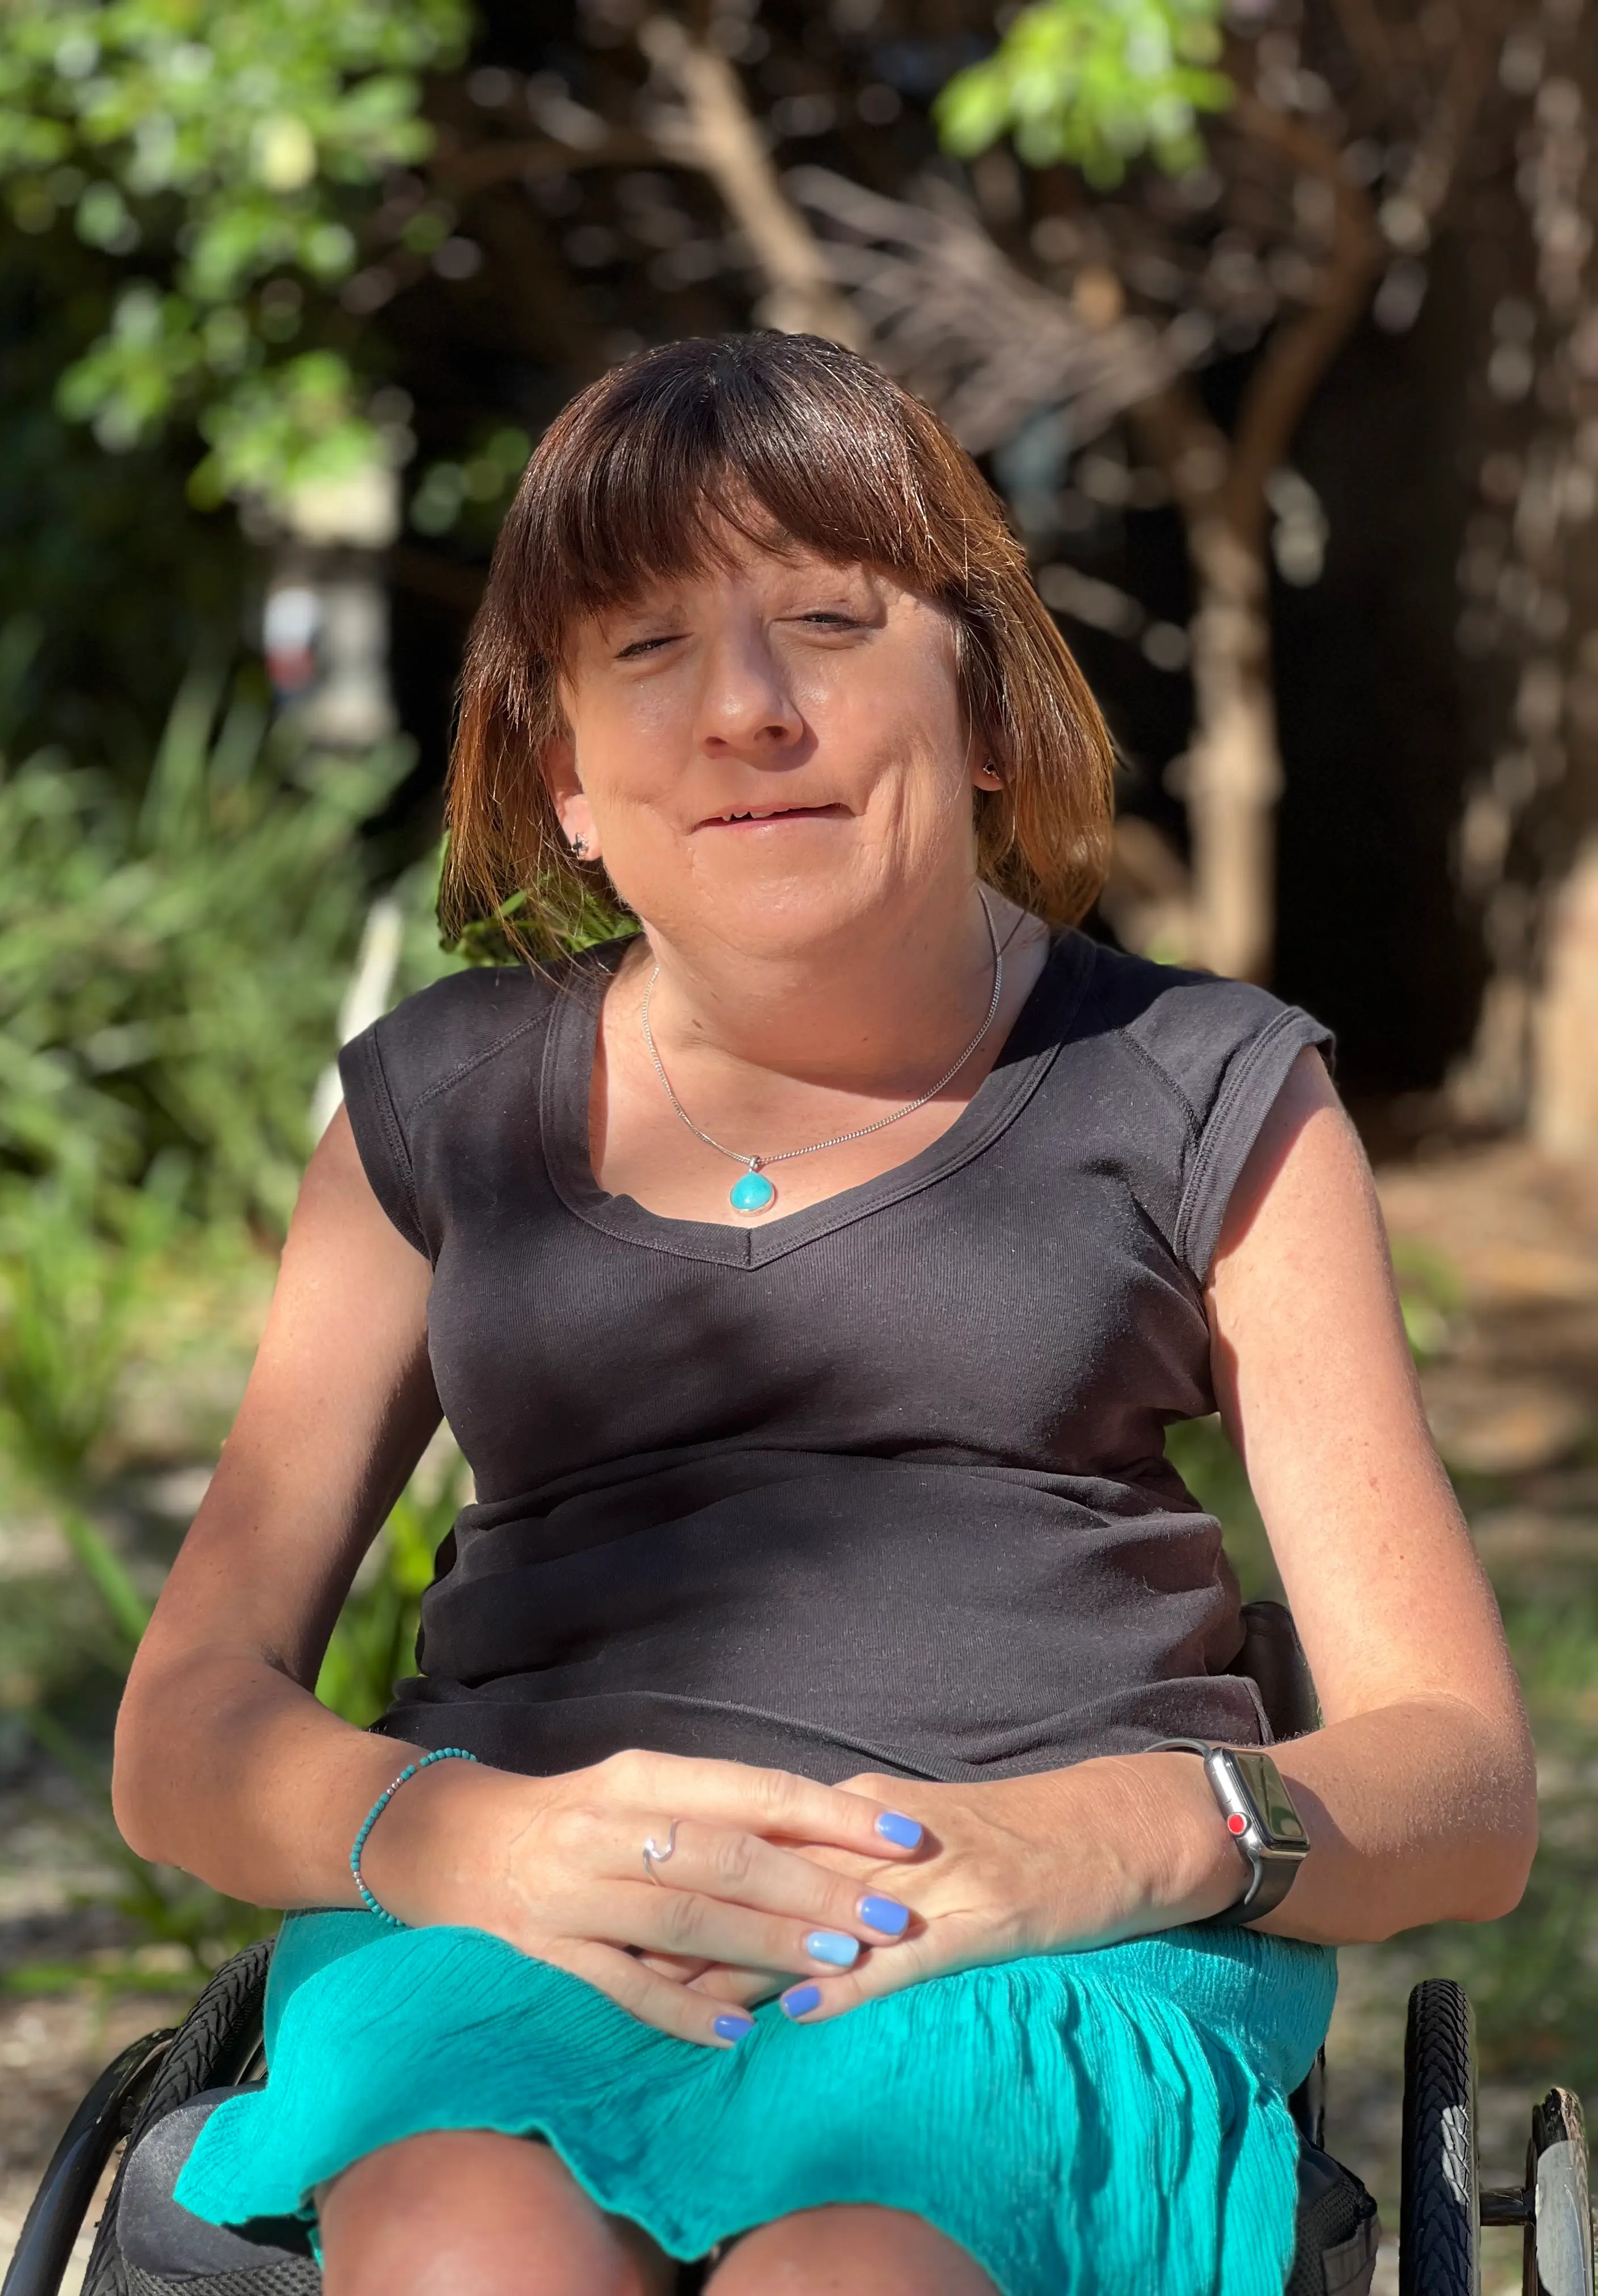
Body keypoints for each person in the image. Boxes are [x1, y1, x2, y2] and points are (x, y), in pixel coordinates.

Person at [112, 332, 1536, 2296]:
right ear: (566, 780)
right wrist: (460, 1844)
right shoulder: (437, 1116)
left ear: (980, 710)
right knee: (465, 2245)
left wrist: (1114, 1838)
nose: (747, 715)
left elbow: (1460, 1782)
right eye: (647, 653)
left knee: (855, 2270)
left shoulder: (1201, 1092)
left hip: (1045, 1950)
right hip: (514, 1932)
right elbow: (182, 1732)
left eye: (825, 623)